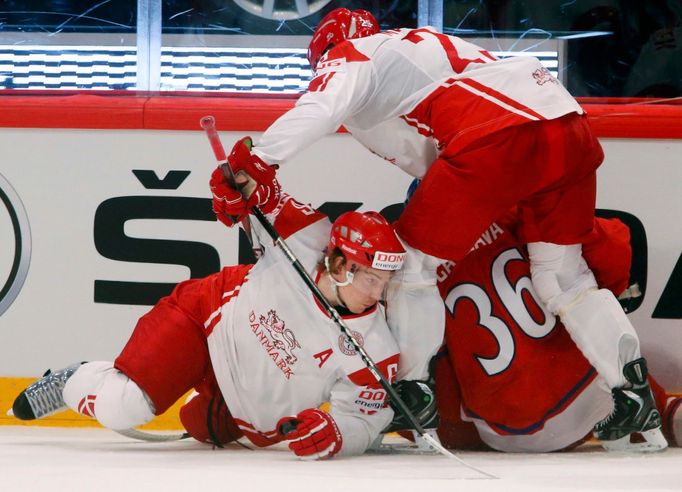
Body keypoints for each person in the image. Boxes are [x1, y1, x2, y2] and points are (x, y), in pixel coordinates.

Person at [222, 7, 665, 448]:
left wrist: (258, 159)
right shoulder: (421, 49)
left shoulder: (357, 54)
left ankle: (414, 392)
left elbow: (323, 105)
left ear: (326, 54)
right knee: (563, 276)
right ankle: (632, 391)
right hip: (567, 122)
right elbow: (434, 157)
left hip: (497, 135)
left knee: (411, 267)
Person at [10, 148, 407, 460]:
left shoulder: (376, 347)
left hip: (240, 411)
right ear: (339, 264)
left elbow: (362, 419)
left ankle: (187, 400)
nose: (378, 293)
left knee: (195, 424)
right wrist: (232, 184)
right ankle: (76, 379)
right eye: (371, 278)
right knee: (124, 408)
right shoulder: (306, 236)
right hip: (205, 321)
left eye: (384, 282)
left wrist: (339, 435)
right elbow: (255, 187)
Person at [425, 207, 676, 452]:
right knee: (593, 319)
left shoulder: (418, 258)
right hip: (594, 395)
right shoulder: (516, 210)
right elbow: (614, 259)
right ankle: (667, 412)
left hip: (504, 432)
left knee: (431, 369)